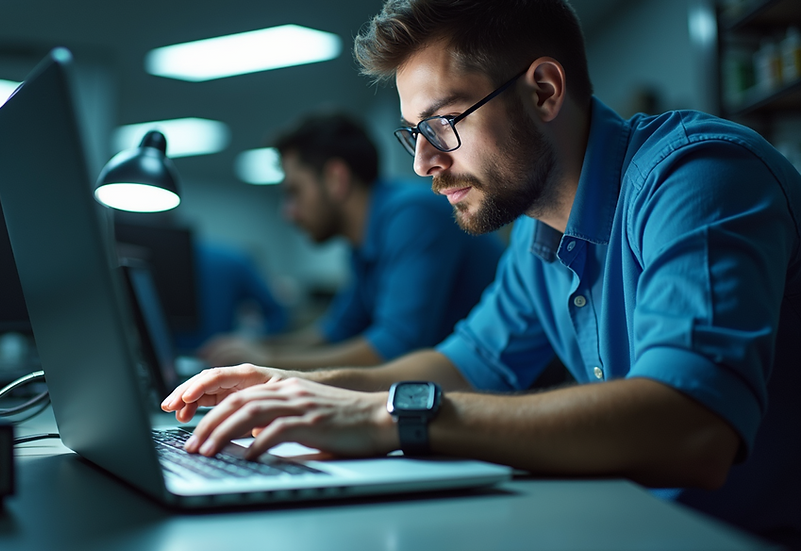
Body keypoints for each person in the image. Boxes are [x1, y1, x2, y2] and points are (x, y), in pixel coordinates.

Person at [162, 0, 801, 546]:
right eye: (413, 133)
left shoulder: (699, 176)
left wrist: (389, 415)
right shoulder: (536, 232)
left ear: (543, 91)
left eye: (443, 123)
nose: (423, 163)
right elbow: (460, 365)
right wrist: (294, 386)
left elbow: (691, 426)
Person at [199, 112, 505, 370]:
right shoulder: (365, 242)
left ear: (336, 179)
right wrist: (254, 348)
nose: (288, 213)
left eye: (294, 192)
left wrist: (268, 362)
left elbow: (394, 346)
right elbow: (336, 332)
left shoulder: (411, 215)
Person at [172, 239, 288, 353]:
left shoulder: (232, 260)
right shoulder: (232, 258)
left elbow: (276, 314)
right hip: (215, 359)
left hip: (219, 359)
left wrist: (248, 341)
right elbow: (277, 314)